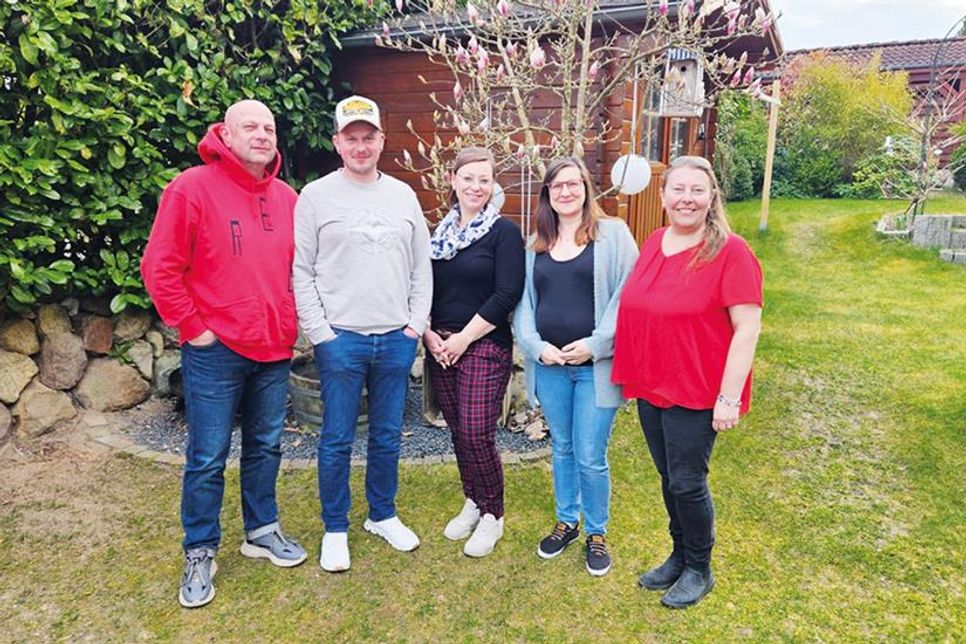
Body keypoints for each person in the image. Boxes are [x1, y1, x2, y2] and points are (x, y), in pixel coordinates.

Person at [141, 99, 307, 609]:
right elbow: (159, 266)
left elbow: (300, 269)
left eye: (269, 127)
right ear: (226, 136)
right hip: (216, 349)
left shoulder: (286, 197)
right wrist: (194, 328)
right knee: (208, 456)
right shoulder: (191, 188)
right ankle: (200, 548)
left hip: (274, 347)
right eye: (250, 126)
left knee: (266, 445)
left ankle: (261, 529)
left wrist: (292, 319)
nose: (262, 134)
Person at [612, 155, 763, 608]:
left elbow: (748, 328)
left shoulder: (730, 252)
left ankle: (700, 567)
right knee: (667, 476)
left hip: (697, 389)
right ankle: (678, 555)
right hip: (652, 383)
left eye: (697, 190)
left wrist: (728, 397)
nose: (686, 199)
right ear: (663, 197)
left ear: (711, 197)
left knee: (687, 481)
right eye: (678, 189)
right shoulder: (656, 241)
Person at [292, 95, 432, 572]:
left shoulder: (403, 195)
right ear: (337, 142)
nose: (360, 145)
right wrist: (320, 333)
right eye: (350, 137)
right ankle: (336, 526)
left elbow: (421, 267)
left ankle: (382, 514)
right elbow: (302, 271)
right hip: (342, 339)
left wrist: (415, 324)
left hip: (395, 336)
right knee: (335, 438)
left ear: (380, 140)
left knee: (388, 435)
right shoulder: (315, 196)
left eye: (367, 136)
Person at [514, 156, 639, 576]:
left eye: (573, 184)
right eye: (556, 187)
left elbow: (629, 297)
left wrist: (596, 344)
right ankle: (567, 521)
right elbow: (523, 307)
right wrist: (535, 347)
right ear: (547, 195)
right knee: (562, 447)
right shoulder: (535, 244)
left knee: (590, 453)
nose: (566, 192)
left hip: (593, 368)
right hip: (550, 368)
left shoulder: (614, 236)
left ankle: (597, 532)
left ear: (586, 188)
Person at [424, 147, 525, 557]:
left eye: (484, 179)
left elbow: (507, 293)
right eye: (468, 178)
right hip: (440, 344)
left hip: (483, 344)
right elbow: (424, 289)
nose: (476, 186)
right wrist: (430, 336)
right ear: (453, 180)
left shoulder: (503, 233)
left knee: (475, 432)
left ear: (492, 184)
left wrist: (463, 338)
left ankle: (493, 516)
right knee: (456, 433)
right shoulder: (439, 234)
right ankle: (473, 500)